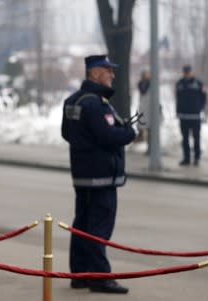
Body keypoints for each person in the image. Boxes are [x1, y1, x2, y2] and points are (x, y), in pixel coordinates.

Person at [61, 55, 136, 294]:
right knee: (99, 228)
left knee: (82, 224)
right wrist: (129, 133)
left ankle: (80, 274)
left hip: (82, 175)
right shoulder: (96, 104)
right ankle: (100, 277)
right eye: (107, 70)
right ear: (94, 73)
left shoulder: (72, 101)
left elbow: (67, 133)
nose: (112, 75)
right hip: (101, 176)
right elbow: (107, 136)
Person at [175, 64, 207, 166]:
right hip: (183, 116)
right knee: (185, 139)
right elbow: (178, 99)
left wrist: (200, 108)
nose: (187, 74)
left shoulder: (198, 83)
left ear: (191, 72)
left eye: (188, 72)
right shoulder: (179, 84)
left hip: (195, 116)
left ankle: (197, 158)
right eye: (185, 72)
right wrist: (178, 111)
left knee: (196, 138)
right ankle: (186, 158)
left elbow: (204, 97)